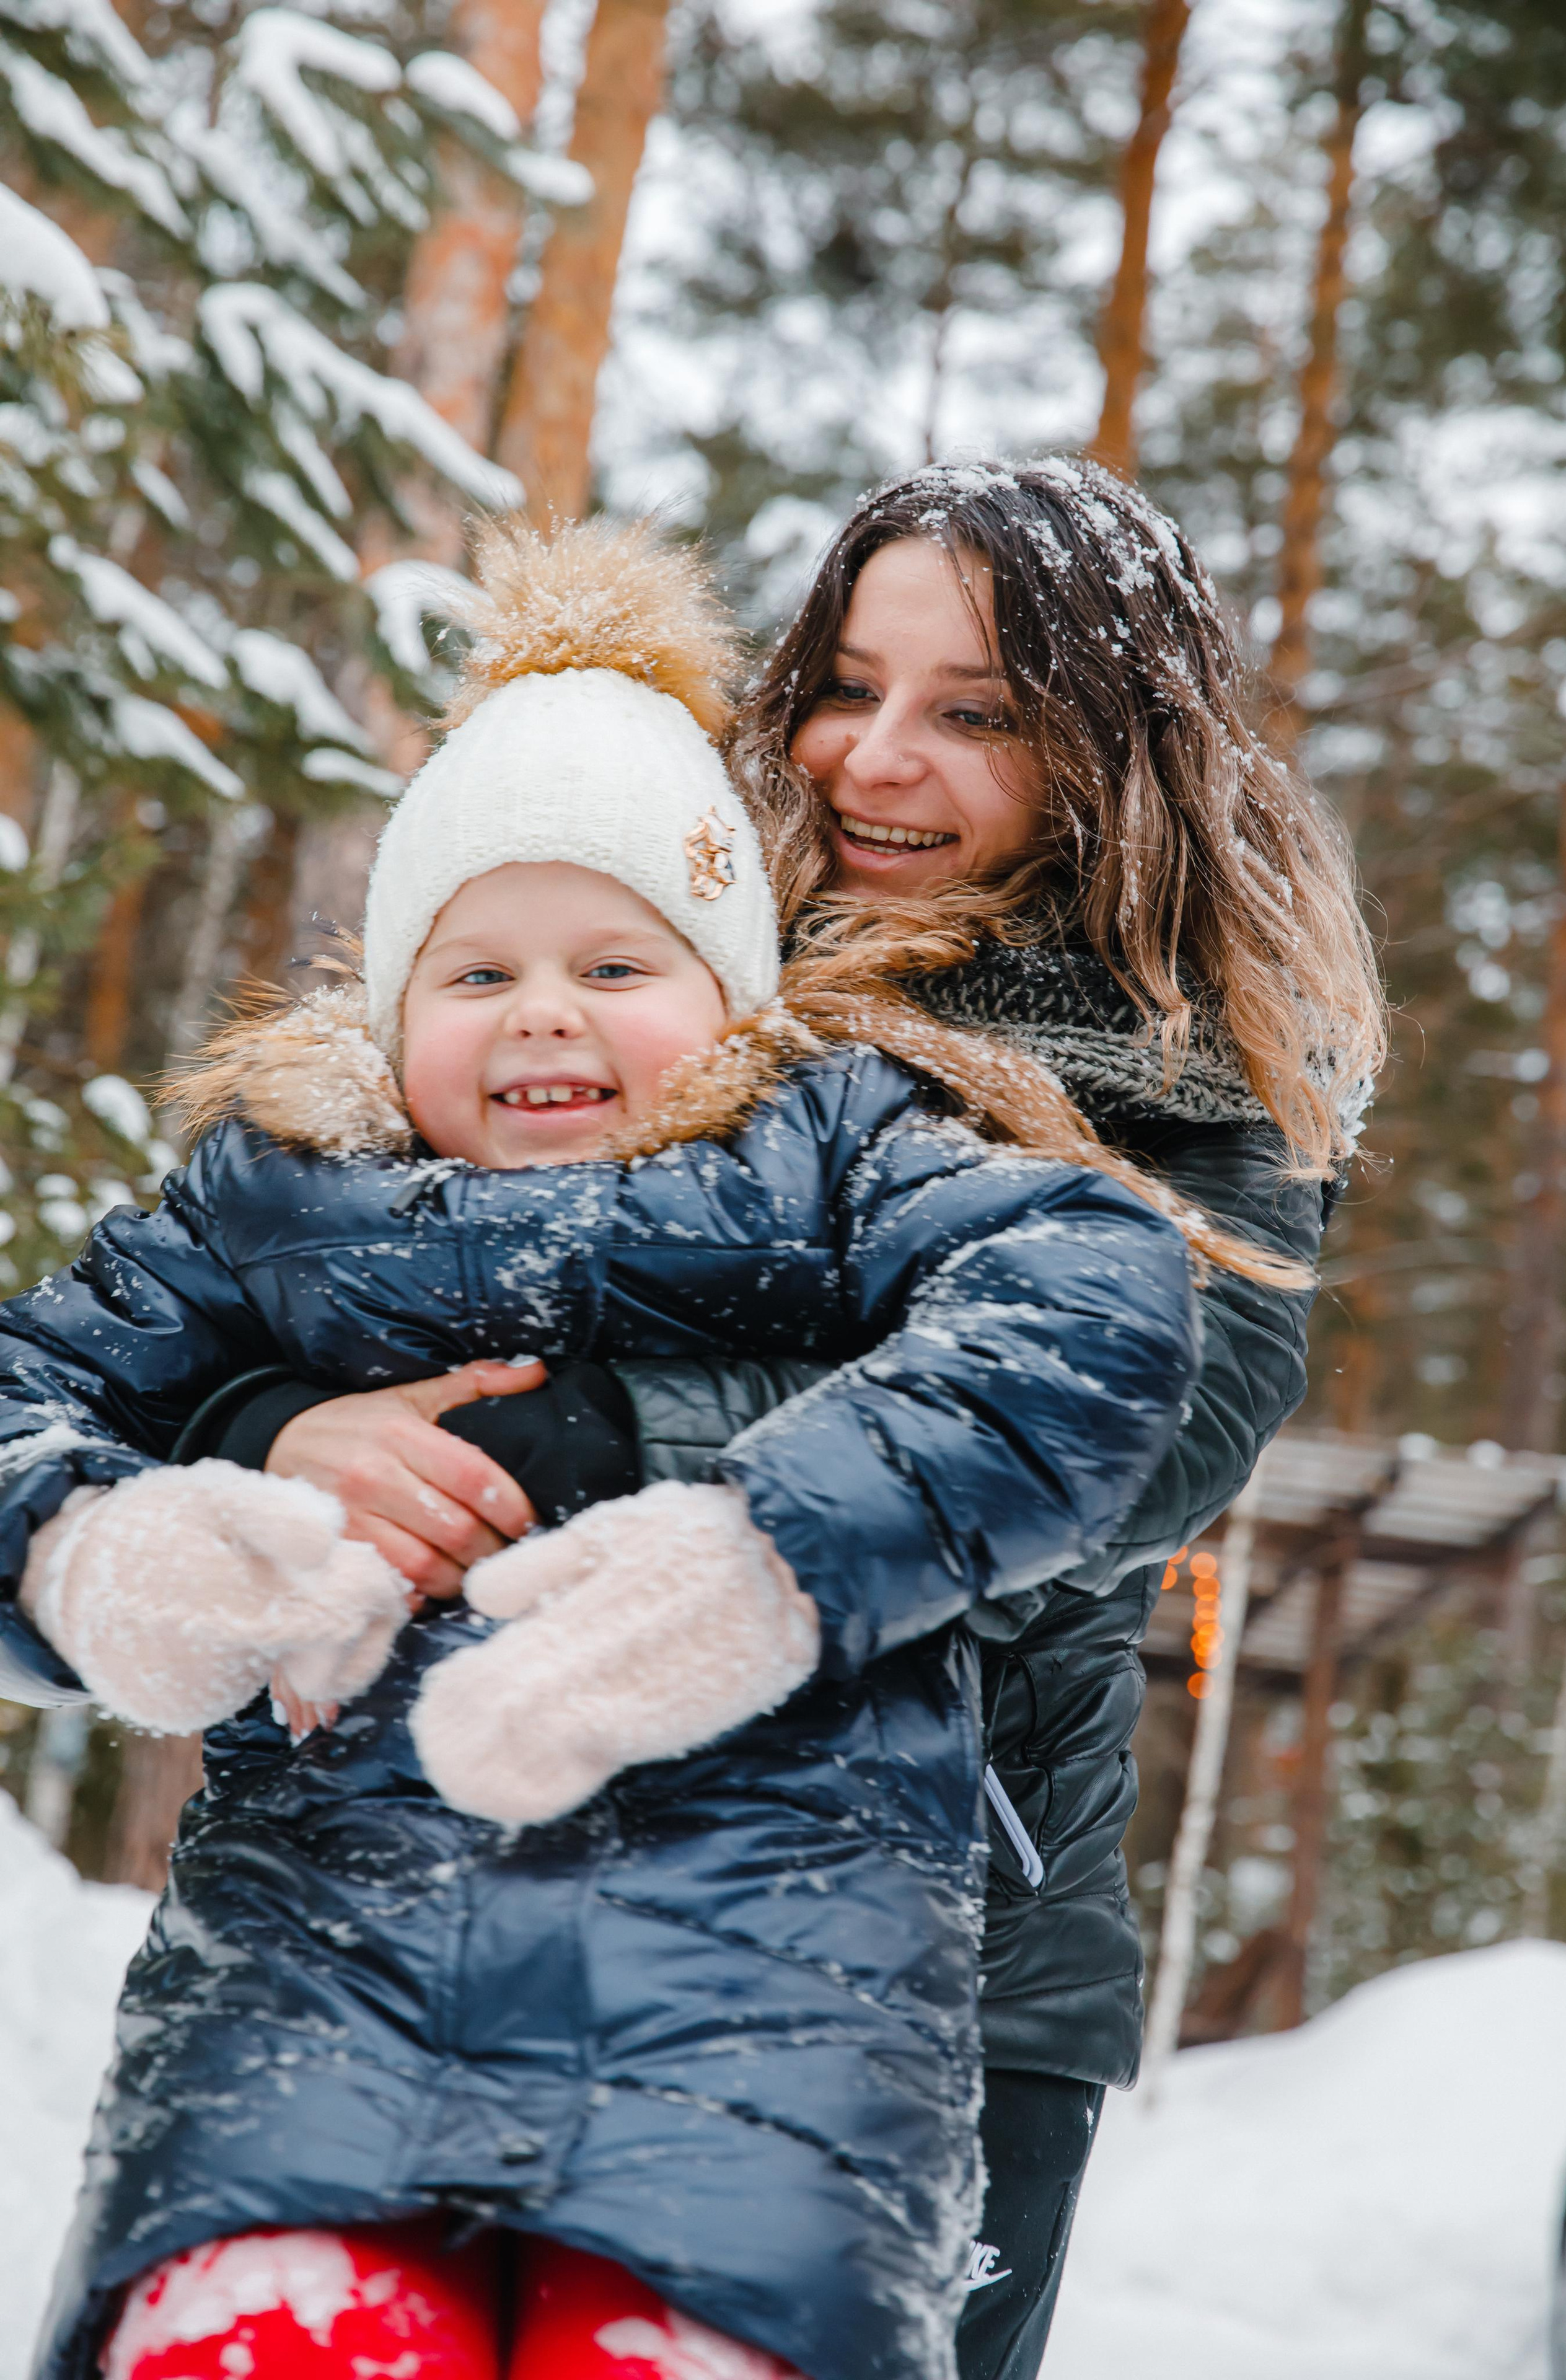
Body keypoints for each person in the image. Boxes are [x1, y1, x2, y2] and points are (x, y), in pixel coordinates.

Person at [3, 519, 1282, 2380]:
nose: (870, 752)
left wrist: (720, 1519)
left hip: (789, 1950)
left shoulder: (935, 1125)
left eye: (971, 709)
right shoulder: (289, 1187)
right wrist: (198, 1490)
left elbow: (1108, 1350)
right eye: (843, 688)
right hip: (334, 1954)